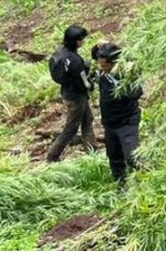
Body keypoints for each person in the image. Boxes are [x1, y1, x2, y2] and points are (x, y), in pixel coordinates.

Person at [89, 42, 142, 185]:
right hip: (109, 122)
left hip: (126, 121)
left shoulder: (124, 75)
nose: (102, 68)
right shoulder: (103, 71)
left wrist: (125, 83)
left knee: (132, 156)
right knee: (114, 157)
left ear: (114, 63)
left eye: (105, 66)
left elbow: (136, 92)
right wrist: (98, 46)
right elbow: (94, 54)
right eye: (100, 65)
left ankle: (147, 177)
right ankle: (121, 184)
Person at [46, 25, 95, 161]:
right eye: (82, 39)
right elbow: (83, 81)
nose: (83, 41)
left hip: (67, 92)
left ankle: (92, 150)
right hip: (77, 97)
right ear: (77, 41)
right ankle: (53, 155)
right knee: (71, 128)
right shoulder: (75, 60)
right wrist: (91, 86)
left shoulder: (59, 54)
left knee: (87, 119)